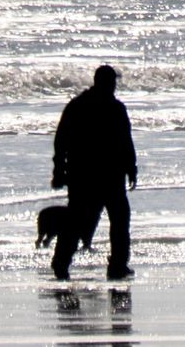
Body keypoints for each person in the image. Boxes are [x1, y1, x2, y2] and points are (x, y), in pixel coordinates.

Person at [50, 64, 138, 280]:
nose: (115, 86)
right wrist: (131, 168)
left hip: (85, 175)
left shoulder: (78, 105)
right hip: (106, 176)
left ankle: (62, 262)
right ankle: (117, 265)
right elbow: (125, 142)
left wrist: (59, 169)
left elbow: (61, 140)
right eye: (113, 82)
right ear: (106, 82)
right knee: (113, 220)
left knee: (79, 221)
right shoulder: (115, 108)